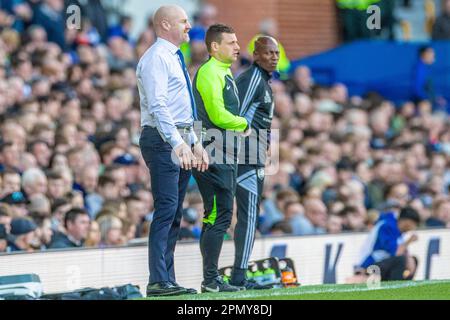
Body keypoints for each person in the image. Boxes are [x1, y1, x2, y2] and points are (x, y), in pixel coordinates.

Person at [136, 4, 208, 297]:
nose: (189, 25)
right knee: (166, 209)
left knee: (175, 212)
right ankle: (158, 280)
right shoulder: (156, 58)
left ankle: (167, 278)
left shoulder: (173, 57)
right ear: (165, 25)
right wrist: (178, 143)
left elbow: (180, 109)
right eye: (183, 21)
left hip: (176, 137)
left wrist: (195, 141)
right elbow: (158, 106)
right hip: (162, 139)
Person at [192, 23, 251, 293]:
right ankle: (210, 280)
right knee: (219, 215)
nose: (237, 47)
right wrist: (244, 124)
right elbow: (216, 115)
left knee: (218, 214)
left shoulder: (223, 72)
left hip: (223, 151)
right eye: (231, 42)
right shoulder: (209, 72)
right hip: (214, 151)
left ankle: (211, 279)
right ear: (214, 47)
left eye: (237, 42)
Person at [230, 36, 280, 290]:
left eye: (276, 53)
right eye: (268, 52)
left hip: (255, 155)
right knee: (248, 216)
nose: (274, 56)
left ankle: (239, 273)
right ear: (256, 55)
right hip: (245, 158)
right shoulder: (252, 79)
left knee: (249, 215)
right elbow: (236, 115)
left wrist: (267, 144)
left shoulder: (264, 81)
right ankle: (239, 276)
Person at [356, 207, 420, 281]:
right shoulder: (387, 227)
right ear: (407, 222)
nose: (413, 228)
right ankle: (395, 287)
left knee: (413, 259)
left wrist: (410, 259)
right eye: (414, 224)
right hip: (369, 265)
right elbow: (396, 253)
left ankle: (404, 287)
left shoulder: (396, 230)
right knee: (400, 260)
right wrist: (409, 241)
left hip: (382, 264)